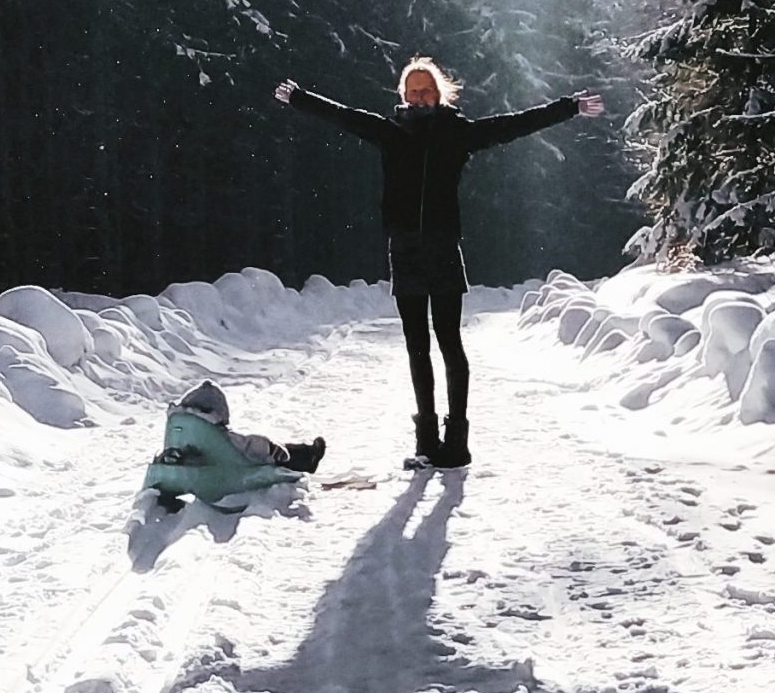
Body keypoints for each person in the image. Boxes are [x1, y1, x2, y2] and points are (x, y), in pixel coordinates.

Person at [277, 58, 603, 468]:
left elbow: (514, 124)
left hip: (443, 249)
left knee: (450, 344)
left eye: (426, 90)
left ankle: (457, 440)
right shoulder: (390, 132)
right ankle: (426, 440)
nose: (419, 97)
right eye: (413, 91)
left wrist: (569, 107)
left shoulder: (457, 133)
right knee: (417, 347)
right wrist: (300, 99)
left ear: (439, 94)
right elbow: (344, 116)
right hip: (405, 250)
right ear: (403, 95)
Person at [174, 379, 327, 474]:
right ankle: (308, 457)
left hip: (200, 465)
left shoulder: (182, 431)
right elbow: (248, 444)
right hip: (233, 469)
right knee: (275, 455)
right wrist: (271, 447)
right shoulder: (217, 435)